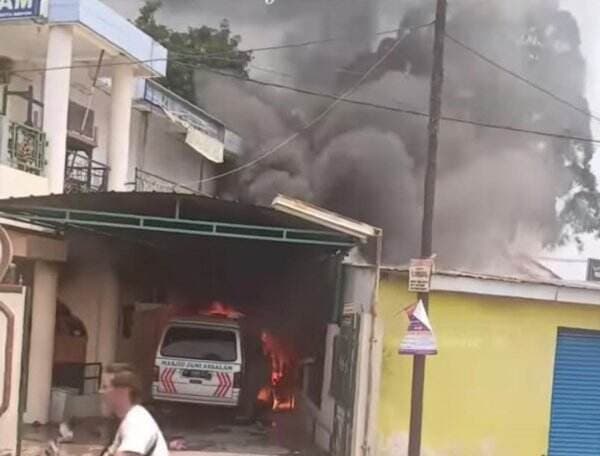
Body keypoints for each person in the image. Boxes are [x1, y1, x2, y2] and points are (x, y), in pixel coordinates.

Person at [101, 364, 168, 456]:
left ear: (123, 391)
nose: (101, 392)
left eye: (105, 387)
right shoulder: (131, 418)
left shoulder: (136, 421)